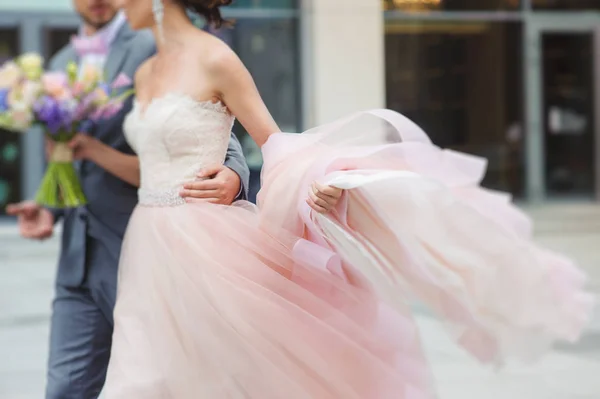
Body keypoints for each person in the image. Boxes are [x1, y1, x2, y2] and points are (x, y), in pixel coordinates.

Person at [88, 0, 590, 397]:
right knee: (145, 377)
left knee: (233, 377)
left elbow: (273, 141)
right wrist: (85, 150)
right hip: (149, 245)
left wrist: (313, 185)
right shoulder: (146, 73)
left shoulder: (216, 57)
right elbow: (149, 168)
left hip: (209, 245)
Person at [5, 1, 250, 398]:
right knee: (65, 389)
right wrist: (49, 207)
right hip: (77, 262)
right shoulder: (61, 61)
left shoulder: (151, 43)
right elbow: (68, 154)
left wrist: (235, 173)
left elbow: (207, 122)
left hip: (148, 252)